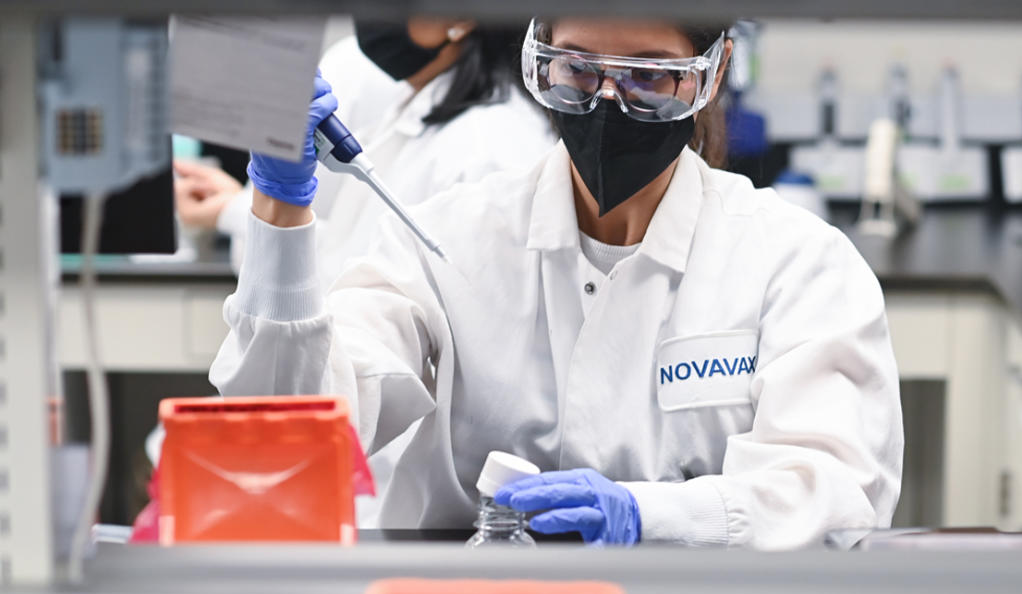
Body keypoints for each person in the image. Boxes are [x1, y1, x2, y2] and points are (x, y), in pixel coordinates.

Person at [210, 17, 903, 550]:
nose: (606, 100)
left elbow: (837, 495)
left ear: (711, 73)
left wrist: (647, 515)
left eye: (648, 76)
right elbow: (289, 435)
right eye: (576, 67)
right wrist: (281, 210)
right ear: (538, 58)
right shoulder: (448, 238)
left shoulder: (795, 263)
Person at [173, 17, 555, 282]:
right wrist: (239, 205)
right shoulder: (420, 114)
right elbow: (355, 259)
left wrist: (239, 210)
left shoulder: (487, 148)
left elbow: (378, 294)